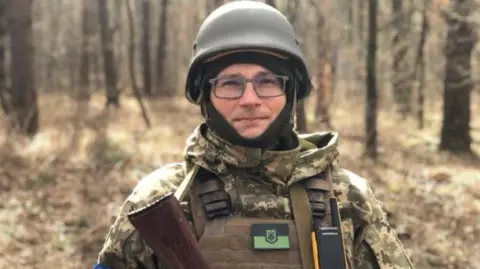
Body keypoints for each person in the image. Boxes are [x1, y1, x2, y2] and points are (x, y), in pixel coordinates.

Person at [93, 1, 415, 269]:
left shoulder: (347, 198)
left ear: (291, 94)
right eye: (230, 83)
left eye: (268, 81)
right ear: (205, 96)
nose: (250, 99)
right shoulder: (161, 200)